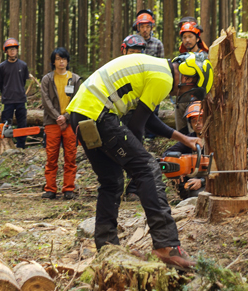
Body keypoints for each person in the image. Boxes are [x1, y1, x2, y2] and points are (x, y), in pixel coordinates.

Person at [65, 52, 212, 270]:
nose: (184, 94)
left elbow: (147, 118)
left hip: (81, 115)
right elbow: (136, 126)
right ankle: (166, 245)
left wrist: (183, 139)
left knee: (111, 181)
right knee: (148, 169)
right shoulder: (164, 77)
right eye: (190, 90)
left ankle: (107, 246)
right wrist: (139, 163)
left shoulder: (155, 69)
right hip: (100, 114)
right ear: (188, 78)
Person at [40, 47, 81, 200]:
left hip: (70, 123)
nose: (61, 62)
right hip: (52, 123)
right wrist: (58, 117)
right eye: (58, 59)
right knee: (51, 157)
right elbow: (46, 100)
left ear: (67, 61)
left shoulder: (75, 79)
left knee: (70, 157)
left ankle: (68, 189)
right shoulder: (47, 79)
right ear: (53, 62)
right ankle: (50, 189)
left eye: (63, 59)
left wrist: (66, 117)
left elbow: (78, 99)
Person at [162, 101, 207, 200]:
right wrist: (176, 170)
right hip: (192, 181)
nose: (198, 123)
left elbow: (223, 169)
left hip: (212, 181)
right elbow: (166, 154)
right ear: (190, 124)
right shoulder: (189, 140)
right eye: (194, 121)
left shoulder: (215, 141)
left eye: (201, 119)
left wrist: (202, 181)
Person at [0, 38, 30, 148]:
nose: (12, 51)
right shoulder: (2, 67)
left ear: (17, 50)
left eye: (14, 49)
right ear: (6, 51)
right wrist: (6, 93)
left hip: (21, 99)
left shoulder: (23, 65)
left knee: (22, 123)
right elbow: (1, 83)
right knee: (6, 124)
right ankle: (7, 146)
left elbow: (23, 82)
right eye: (10, 49)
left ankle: (21, 146)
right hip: (7, 99)